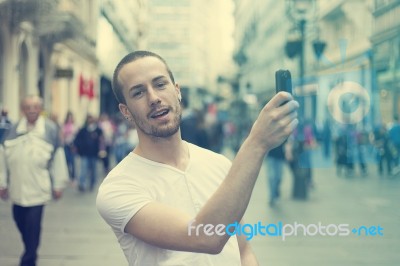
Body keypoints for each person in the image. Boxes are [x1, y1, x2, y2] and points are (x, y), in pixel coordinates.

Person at [96, 51, 299, 266]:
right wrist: (256, 143)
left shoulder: (219, 164)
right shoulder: (117, 188)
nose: (154, 98)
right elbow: (205, 237)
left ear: (177, 91)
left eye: (160, 84)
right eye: (138, 92)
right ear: (126, 111)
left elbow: (243, 250)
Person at [0, 95, 69, 266]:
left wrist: (58, 184)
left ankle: (29, 259)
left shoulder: (50, 130)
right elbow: (2, 158)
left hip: (39, 190)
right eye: (28, 106)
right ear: (22, 109)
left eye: (35, 106)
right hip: (17, 189)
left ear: (41, 109)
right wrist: (2, 183)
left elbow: (58, 158)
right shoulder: (12, 129)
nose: (32, 110)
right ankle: (30, 251)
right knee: (20, 221)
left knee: (33, 227)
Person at [73, 114, 104, 192]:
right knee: (83, 170)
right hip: (85, 154)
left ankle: (92, 184)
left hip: (94, 154)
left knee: (94, 171)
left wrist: (101, 150)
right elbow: (77, 140)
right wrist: (80, 148)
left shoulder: (98, 130)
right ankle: (82, 184)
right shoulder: (83, 130)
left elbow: (102, 141)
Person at [62, 111, 77, 182]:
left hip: (72, 145)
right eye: (69, 117)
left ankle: (73, 177)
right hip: (66, 145)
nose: (70, 119)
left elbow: (76, 135)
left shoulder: (74, 126)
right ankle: (68, 175)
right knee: (67, 161)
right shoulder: (64, 125)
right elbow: (62, 134)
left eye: (71, 117)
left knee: (72, 162)